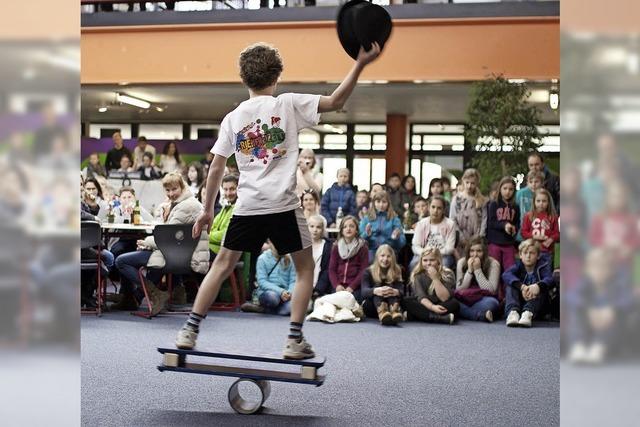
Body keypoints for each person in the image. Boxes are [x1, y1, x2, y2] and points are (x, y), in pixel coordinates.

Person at [174, 41, 381, 359]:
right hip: (283, 207)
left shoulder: (234, 117)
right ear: (277, 76)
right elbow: (337, 100)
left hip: (248, 207)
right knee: (305, 269)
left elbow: (217, 166)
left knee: (221, 266)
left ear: (243, 79)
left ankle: (189, 329)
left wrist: (207, 210)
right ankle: (294, 339)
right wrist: (361, 63)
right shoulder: (288, 104)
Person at [114, 173, 210, 314]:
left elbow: (167, 238)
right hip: (177, 252)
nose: (171, 194)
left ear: (182, 187)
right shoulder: (185, 203)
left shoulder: (186, 207)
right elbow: (172, 235)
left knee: (121, 261)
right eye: (167, 190)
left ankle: (152, 294)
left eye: (174, 189)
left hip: (177, 257)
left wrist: (146, 242)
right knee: (144, 256)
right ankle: (139, 297)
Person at [566, 249, 633, 364]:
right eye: (594, 267)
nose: (599, 271)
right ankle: (579, 344)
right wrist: (588, 309)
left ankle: (600, 346)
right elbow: (572, 296)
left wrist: (613, 309)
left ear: (611, 270)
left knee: (618, 316)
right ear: (587, 269)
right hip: (588, 325)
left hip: (610, 328)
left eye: (603, 267)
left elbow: (627, 299)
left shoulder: (618, 283)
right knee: (576, 312)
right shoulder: (585, 283)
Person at [503, 239, 553, 327]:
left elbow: (549, 279)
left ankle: (527, 313)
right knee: (510, 286)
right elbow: (506, 274)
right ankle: (513, 313)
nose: (528, 256)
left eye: (532, 253)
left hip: (537, 305)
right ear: (520, 255)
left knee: (542, 290)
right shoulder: (518, 265)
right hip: (521, 301)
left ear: (538, 256)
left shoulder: (543, 265)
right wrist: (522, 287)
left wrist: (538, 286)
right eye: (525, 253)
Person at [403, 247, 459, 324]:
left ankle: (417, 315)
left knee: (454, 304)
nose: (428, 263)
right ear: (421, 261)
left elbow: (444, 298)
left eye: (432, 260)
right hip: (425, 304)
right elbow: (421, 297)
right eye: (425, 260)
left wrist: (435, 278)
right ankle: (438, 318)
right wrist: (432, 307)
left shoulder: (447, 273)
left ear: (438, 261)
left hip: (441, 303)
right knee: (406, 301)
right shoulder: (417, 275)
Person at [454, 236, 501, 322]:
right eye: (472, 251)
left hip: (483, 298)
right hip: (465, 297)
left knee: (492, 304)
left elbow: (492, 290)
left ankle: (465, 312)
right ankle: (479, 315)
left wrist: (478, 270)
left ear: (485, 252)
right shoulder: (461, 262)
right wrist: (469, 271)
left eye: (479, 251)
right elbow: (459, 289)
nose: (475, 254)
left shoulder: (493, 264)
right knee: (452, 302)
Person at [328, 215, 369, 302]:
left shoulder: (362, 247)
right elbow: (332, 269)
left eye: (352, 226)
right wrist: (337, 285)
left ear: (357, 230)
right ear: (342, 231)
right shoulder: (336, 246)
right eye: (345, 227)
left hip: (355, 287)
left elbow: (363, 270)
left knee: (349, 304)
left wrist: (352, 287)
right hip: (338, 286)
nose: (348, 229)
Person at [360, 244, 404, 325]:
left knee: (389, 289)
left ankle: (394, 311)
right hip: (372, 306)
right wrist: (376, 291)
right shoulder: (368, 271)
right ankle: (382, 313)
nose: (385, 259)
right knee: (378, 288)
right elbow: (363, 292)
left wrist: (395, 291)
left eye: (388, 256)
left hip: (391, 302)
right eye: (382, 256)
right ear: (377, 257)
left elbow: (402, 291)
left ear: (392, 258)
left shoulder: (397, 270)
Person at [410, 195, 456, 270]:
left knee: (445, 264)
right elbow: (415, 246)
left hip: (442, 255)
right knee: (413, 264)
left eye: (439, 208)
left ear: (444, 210)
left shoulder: (450, 224)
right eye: (433, 207)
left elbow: (450, 248)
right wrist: (426, 254)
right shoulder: (421, 223)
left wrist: (435, 254)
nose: (435, 211)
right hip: (424, 254)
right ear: (428, 207)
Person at [359, 190, 406, 262]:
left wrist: (396, 238)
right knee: (370, 261)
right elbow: (359, 240)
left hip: (389, 251)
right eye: (378, 202)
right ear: (374, 203)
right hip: (372, 251)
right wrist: (366, 234)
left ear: (388, 204)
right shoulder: (367, 219)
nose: (381, 205)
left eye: (384, 202)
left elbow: (402, 242)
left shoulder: (394, 219)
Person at [254, 241, 297, 316]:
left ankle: (264, 310)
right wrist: (280, 291)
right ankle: (271, 309)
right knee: (273, 297)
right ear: (270, 243)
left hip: (285, 295)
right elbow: (262, 281)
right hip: (269, 292)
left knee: (293, 306)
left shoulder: (290, 258)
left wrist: (289, 293)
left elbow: (293, 281)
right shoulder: (262, 258)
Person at [486, 176, 519, 272]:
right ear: (500, 189)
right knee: (495, 269)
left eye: (511, 189)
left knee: (510, 269)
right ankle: (496, 287)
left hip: (509, 243)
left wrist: (514, 229)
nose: (507, 191)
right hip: (495, 242)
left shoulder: (515, 206)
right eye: (505, 188)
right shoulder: (494, 204)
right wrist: (504, 225)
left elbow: (517, 223)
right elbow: (491, 222)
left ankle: (508, 287)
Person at [450, 168, 487, 252]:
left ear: (477, 183)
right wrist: (461, 237)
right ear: (463, 181)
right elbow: (453, 219)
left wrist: (480, 237)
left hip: (477, 238)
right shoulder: (457, 199)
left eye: (472, 183)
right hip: (461, 239)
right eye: (467, 182)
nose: (469, 186)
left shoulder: (482, 200)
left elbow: (484, 219)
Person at [521, 189, 559, 261]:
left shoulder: (553, 217)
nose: (541, 203)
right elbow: (523, 232)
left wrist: (551, 239)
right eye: (538, 201)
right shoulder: (529, 216)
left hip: (547, 251)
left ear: (548, 202)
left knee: (546, 270)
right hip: (532, 250)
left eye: (544, 201)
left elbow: (557, 233)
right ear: (534, 202)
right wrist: (534, 236)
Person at [208, 174, 238, 260]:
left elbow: (226, 234)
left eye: (232, 189)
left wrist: (206, 236)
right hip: (214, 248)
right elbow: (211, 227)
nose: (228, 193)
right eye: (225, 189)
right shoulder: (226, 207)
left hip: (224, 253)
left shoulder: (239, 209)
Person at [307, 215, 332, 299]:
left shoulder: (328, 246)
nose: (315, 230)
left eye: (318, 227)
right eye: (312, 226)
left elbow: (327, 270)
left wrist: (318, 289)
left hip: (320, 288)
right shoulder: (302, 245)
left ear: (323, 229)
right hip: (303, 286)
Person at [514, 170, 544, 241]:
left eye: (536, 182)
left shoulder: (544, 195)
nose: (533, 184)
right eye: (531, 182)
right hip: (521, 229)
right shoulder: (520, 193)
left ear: (542, 183)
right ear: (527, 182)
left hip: (537, 230)